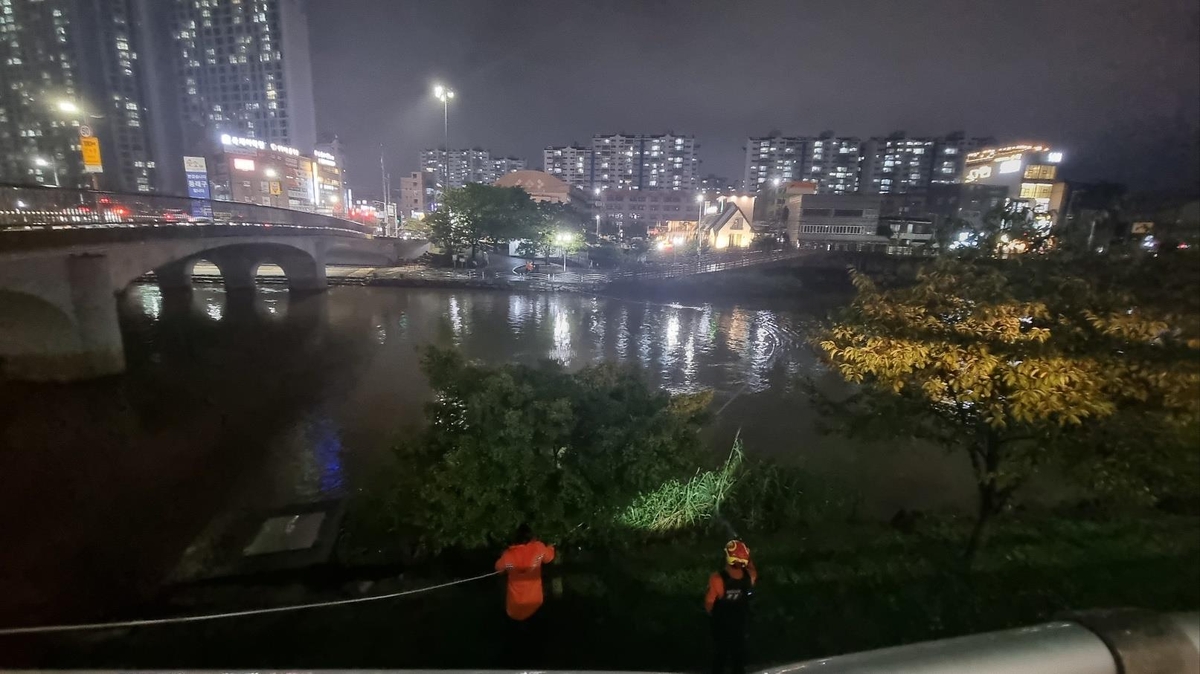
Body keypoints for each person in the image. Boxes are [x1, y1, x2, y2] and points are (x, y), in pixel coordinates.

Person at [705, 539, 757, 674]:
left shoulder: (717, 579)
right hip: (740, 624)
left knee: (719, 657)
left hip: (721, 625)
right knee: (738, 659)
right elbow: (751, 567)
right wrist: (746, 554)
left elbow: (709, 603)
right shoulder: (749, 577)